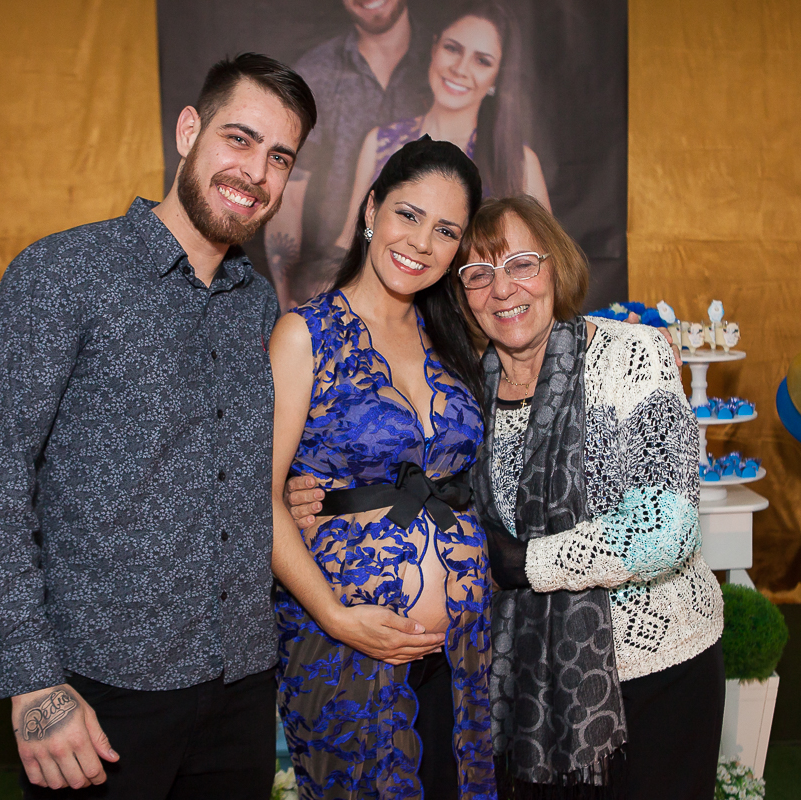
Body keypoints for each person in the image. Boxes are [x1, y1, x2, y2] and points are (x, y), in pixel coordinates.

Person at [0, 53, 318, 799]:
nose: (255, 172)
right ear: (189, 130)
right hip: (101, 695)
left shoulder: (255, 303)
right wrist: (33, 684)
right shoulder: (63, 273)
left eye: (279, 157)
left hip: (240, 686)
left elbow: (217, 469)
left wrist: (284, 498)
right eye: (239, 140)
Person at [289, 195, 724, 798]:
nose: (503, 289)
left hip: (658, 670)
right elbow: (414, 475)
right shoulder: (468, 388)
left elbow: (668, 527)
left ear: (555, 266)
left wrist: (522, 564)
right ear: (459, 292)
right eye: (478, 274)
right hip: (527, 685)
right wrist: (309, 489)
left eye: (521, 263)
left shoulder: (630, 355)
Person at [269, 136, 495, 800]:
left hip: (462, 654)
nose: (423, 242)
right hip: (343, 646)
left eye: (446, 230)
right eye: (409, 214)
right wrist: (339, 618)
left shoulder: (454, 343)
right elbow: (259, 500)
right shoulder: (304, 334)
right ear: (372, 210)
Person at [333, 0, 550, 252]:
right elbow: (348, 243)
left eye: (482, 61)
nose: (460, 68)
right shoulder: (379, 142)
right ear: (434, 47)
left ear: (497, 76)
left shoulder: (519, 163)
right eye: (452, 49)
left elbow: (544, 265)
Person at [263, 0, 431, 309]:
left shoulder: (445, 59)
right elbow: (290, 191)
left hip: (428, 291)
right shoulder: (316, 73)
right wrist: (287, 299)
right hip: (333, 287)